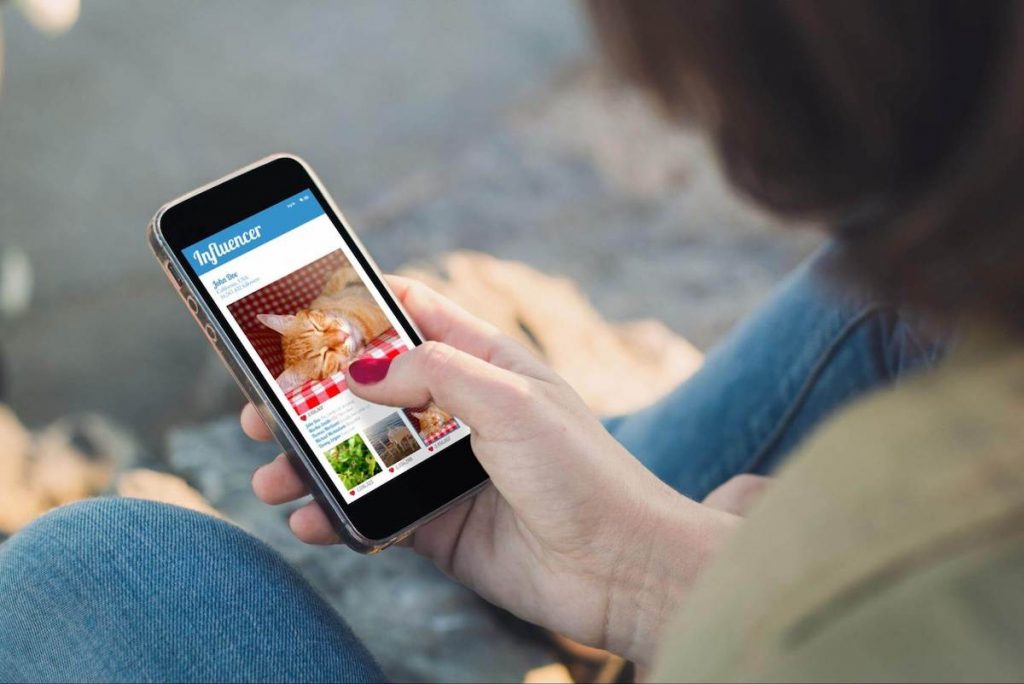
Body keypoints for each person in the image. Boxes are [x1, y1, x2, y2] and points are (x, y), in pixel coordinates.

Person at [2, 1, 1022, 681]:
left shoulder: (874, 620)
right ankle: (605, 483)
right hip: (696, 577)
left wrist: (746, 606)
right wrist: (654, 573)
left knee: (93, 569)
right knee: (893, 282)